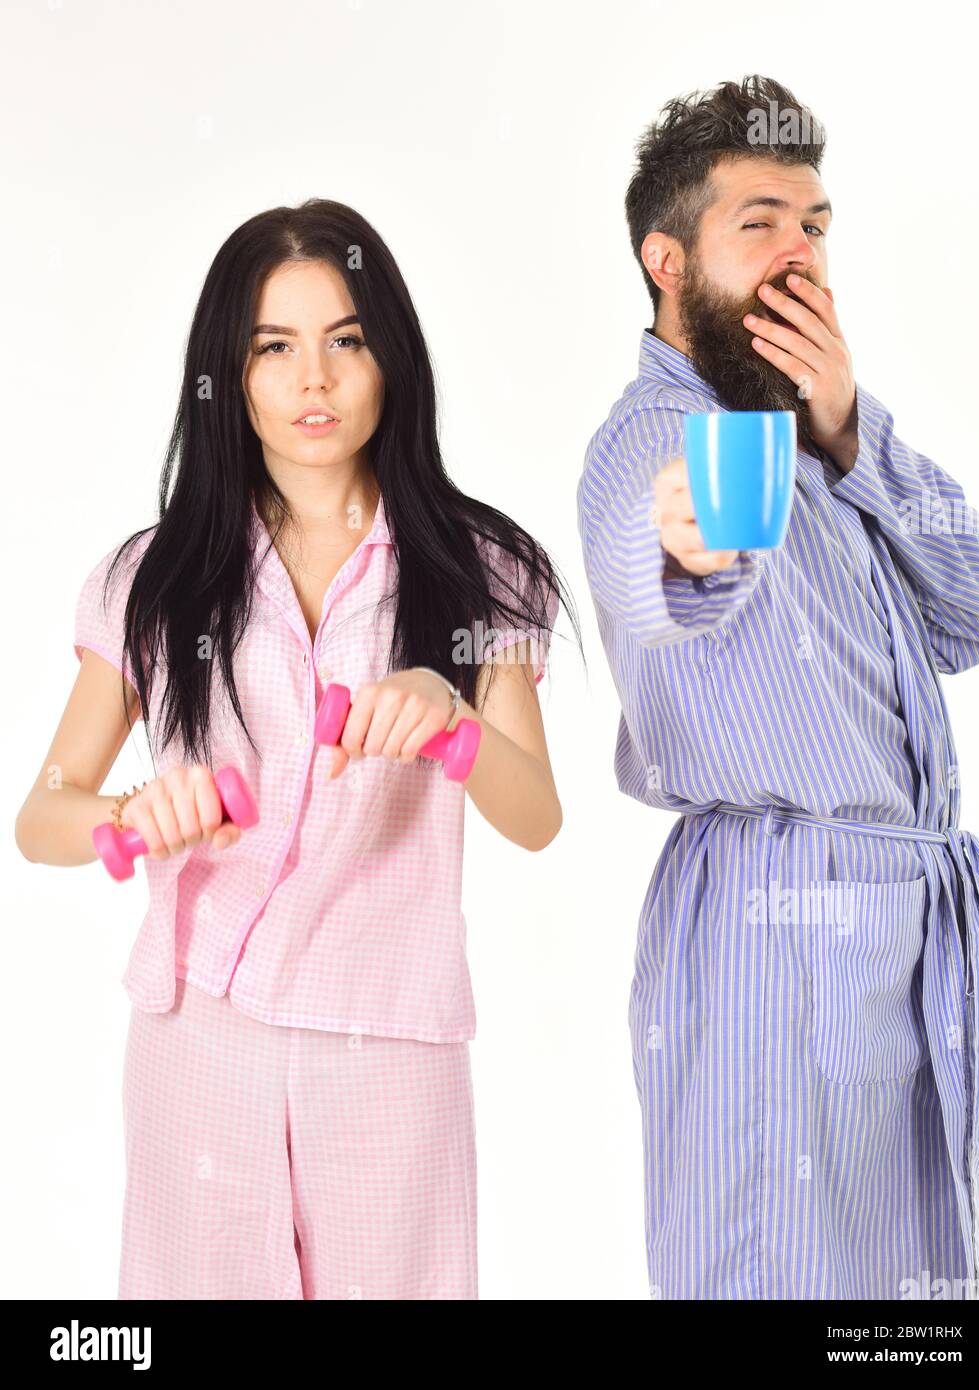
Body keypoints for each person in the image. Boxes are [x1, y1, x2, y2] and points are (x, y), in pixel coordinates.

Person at [15, 197, 575, 1301]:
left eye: (346, 341)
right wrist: (127, 816)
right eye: (274, 348)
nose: (312, 381)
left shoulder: (483, 570)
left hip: (389, 1042)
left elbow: (536, 814)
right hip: (198, 1042)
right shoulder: (155, 576)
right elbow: (44, 809)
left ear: (390, 359)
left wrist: (454, 721)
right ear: (228, 373)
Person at [576, 75, 979, 1300]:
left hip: (907, 938)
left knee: (918, 1298)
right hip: (777, 930)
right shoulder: (656, 437)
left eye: (815, 225)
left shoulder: (822, 443)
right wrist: (681, 542)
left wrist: (847, 425)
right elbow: (646, 540)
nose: (799, 253)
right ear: (667, 259)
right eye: (760, 220)